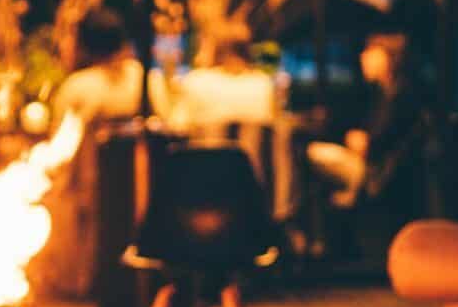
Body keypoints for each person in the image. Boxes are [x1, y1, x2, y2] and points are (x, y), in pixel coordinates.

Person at [305, 33, 429, 211]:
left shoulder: (402, 96)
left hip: (379, 174)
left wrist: (363, 141)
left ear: (386, 58)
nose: (363, 57)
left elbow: (376, 144)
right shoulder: (385, 93)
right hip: (375, 168)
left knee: (314, 153)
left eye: (370, 52)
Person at [171, 26, 279, 177]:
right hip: (253, 184)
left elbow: (176, 125)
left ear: (213, 49)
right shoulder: (263, 84)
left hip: (201, 180)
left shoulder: (195, 81)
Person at [54, 9, 169, 125]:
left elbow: (59, 138)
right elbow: (168, 125)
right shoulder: (148, 78)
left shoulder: (75, 87)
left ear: (82, 46)